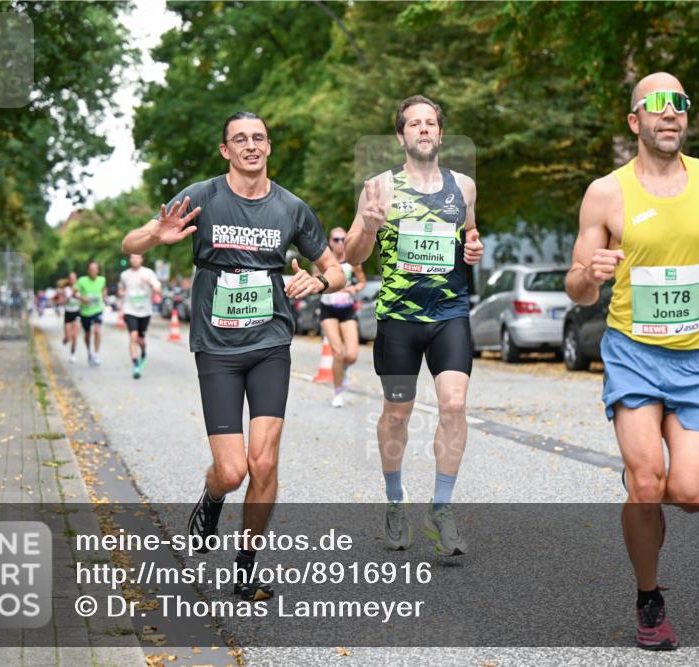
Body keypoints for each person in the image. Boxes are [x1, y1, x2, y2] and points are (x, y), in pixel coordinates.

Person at [564, 72, 699, 650]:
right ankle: (650, 599)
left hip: (695, 360)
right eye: (657, 105)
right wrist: (587, 277)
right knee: (648, 484)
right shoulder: (606, 193)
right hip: (632, 355)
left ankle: (641, 482)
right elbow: (577, 285)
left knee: (692, 494)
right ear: (635, 121)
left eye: (680, 105)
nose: (670, 114)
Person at [122, 111, 346, 601]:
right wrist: (155, 236)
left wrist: (322, 279)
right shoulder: (201, 197)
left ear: (268, 147)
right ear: (225, 150)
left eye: (259, 138)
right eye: (240, 139)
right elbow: (130, 241)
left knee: (264, 463)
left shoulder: (291, 208)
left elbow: (337, 269)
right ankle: (213, 495)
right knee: (233, 470)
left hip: (270, 345)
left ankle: (245, 567)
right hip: (217, 350)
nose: (250, 145)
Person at [345, 95, 484, 556]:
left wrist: (473, 251)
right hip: (399, 321)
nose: (423, 130)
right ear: (402, 135)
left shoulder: (462, 187)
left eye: (431, 124)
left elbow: (469, 239)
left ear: (440, 134)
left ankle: (441, 510)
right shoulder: (378, 186)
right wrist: (366, 227)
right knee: (398, 414)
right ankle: (394, 500)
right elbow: (352, 256)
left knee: (454, 405)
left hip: (449, 314)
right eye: (414, 124)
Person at [317, 226, 367, 407]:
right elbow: (316, 282)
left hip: (346, 309)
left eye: (342, 239)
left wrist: (354, 288)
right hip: (328, 310)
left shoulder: (353, 261)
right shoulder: (322, 261)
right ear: (330, 242)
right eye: (335, 240)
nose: (339, 243)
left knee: (352, 355)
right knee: (338, 352)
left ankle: (343, 369)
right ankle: (338, 392)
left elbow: (362, 282)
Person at [118, 254, 162, 379]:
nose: (135, 260)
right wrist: (122, 293)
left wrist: (150, 283)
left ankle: (143, 351)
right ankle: (136, 365)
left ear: (141, 259)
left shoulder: (149, 273)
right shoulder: (125, 275)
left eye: (137, 257)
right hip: (129, 310)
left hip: (145, 311)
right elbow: (120, 289)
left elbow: (159, 290)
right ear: (130, 260)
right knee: (133, 336)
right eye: (132, 258)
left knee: (141, 340)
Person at [76, 261, 107, 366]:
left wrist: (103, 297)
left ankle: (96, 354)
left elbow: (103, 290)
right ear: (88, 271)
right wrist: (81, 297)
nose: (93, 271)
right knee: (88, 334)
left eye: (95, 269)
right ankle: (89, 351)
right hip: (85, 312)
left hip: (97, 310)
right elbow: (74, 292)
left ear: (98, 270)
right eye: (91, 269)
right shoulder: (82, 280)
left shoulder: (102, 279)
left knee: (97, 330)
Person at [60, 272, 81, 363]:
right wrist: (68, 298)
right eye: (71, 278)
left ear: (76, 279)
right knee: (69, 337)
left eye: (74, 278)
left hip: (77, 313)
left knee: (75, 336)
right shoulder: (66, 289)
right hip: (68, 313)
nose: (72, 280)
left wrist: (78, 297)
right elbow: (61, 301)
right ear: (69, 280)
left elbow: (83, 299)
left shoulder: (80, 289)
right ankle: (66, 339)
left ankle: (72, 354)